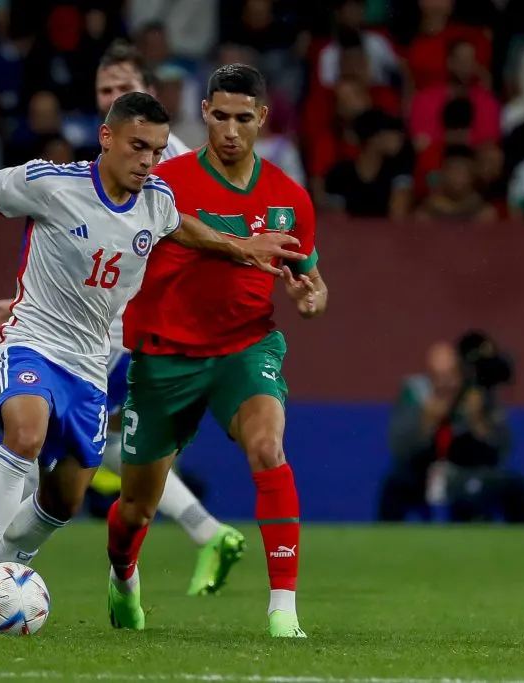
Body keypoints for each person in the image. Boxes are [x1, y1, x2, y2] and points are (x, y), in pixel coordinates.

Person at [0, 91, 305, 623]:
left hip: (92, 369)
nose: (148, 160)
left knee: (62, 501)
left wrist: (240, 248)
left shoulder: (156, 200)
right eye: (138, 146)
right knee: (25, 433)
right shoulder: (50, 184)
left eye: (158, 150)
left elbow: (184, 228)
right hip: (34, 341)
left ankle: (2, 574)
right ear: (107, 137)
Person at [0, 40, 249, 599]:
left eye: (121, 86)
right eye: (103, 91)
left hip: (134, 332)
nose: (110, 97)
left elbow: (182, 239)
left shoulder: (167, 167)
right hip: (95, 327)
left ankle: (194, 534)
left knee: (99, 451)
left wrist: (241, 252)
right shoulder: (95, 168)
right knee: (50, 433)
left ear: (145, 89)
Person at [105, 64, 328, 639]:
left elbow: (312, 281)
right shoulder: (165, 181)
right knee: (136, 509)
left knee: (267, 446)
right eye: (220, 116)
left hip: (245, 347)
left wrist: (311, 299)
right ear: (204, 113)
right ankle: (124, 576)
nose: (231, 130)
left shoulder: (289, 197)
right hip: (164, 357)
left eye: (243, 118)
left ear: (263, 118)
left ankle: (283, 610)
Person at [378, 334, 524, 524]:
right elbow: (400, 450)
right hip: (423, 474)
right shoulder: (415, 396)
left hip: (467, 474)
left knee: (514, 486)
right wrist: (427, 421)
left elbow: (501, 449)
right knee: (394, 485)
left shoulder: (478, 396)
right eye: (438, 376)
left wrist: (477, 421)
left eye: (450, 374)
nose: (445, 383)